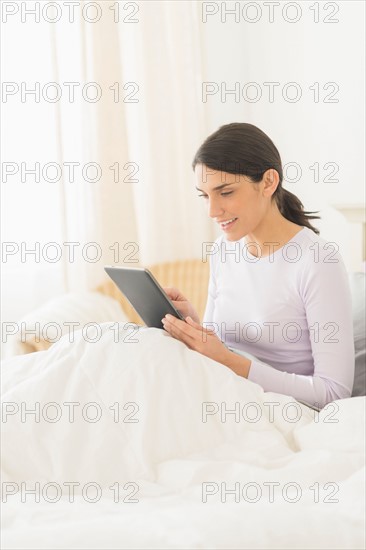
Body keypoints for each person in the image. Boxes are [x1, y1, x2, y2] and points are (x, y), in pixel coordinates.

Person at [162, 122, 355, 409]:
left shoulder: (317, 261)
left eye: (225, 192)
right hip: (224, 395)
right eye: (205, 196)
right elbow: (222, 351)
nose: (212, 211)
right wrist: (193, 326)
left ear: (268, 182)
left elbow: (334, 393)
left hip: (280, 411)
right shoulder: (223, 251)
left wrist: (230, 361)